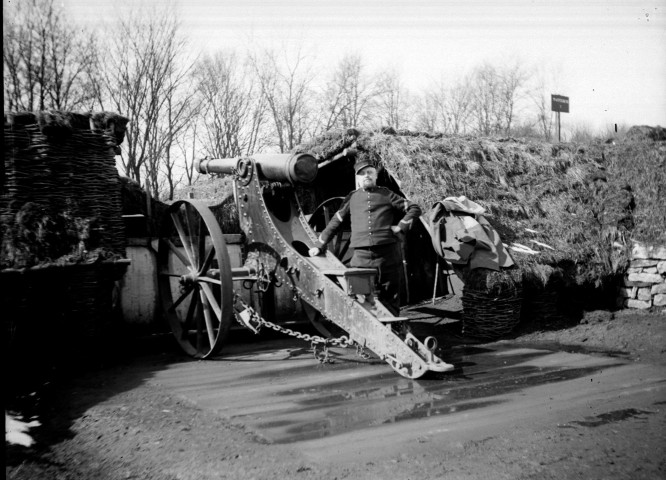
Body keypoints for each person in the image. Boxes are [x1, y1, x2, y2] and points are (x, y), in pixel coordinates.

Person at [308, 157, 422, 316]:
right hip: (361, 257)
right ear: (358, 179)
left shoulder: (387, 194)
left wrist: (401, 227)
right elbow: (336, 221)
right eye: (362, 174)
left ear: (376, 176)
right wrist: (319, 244)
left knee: (390, 298)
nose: (366, 175)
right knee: (359, 298)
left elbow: (414, 208)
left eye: (370, 172)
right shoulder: (352, 197)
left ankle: (393, 330)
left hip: (388, 255)